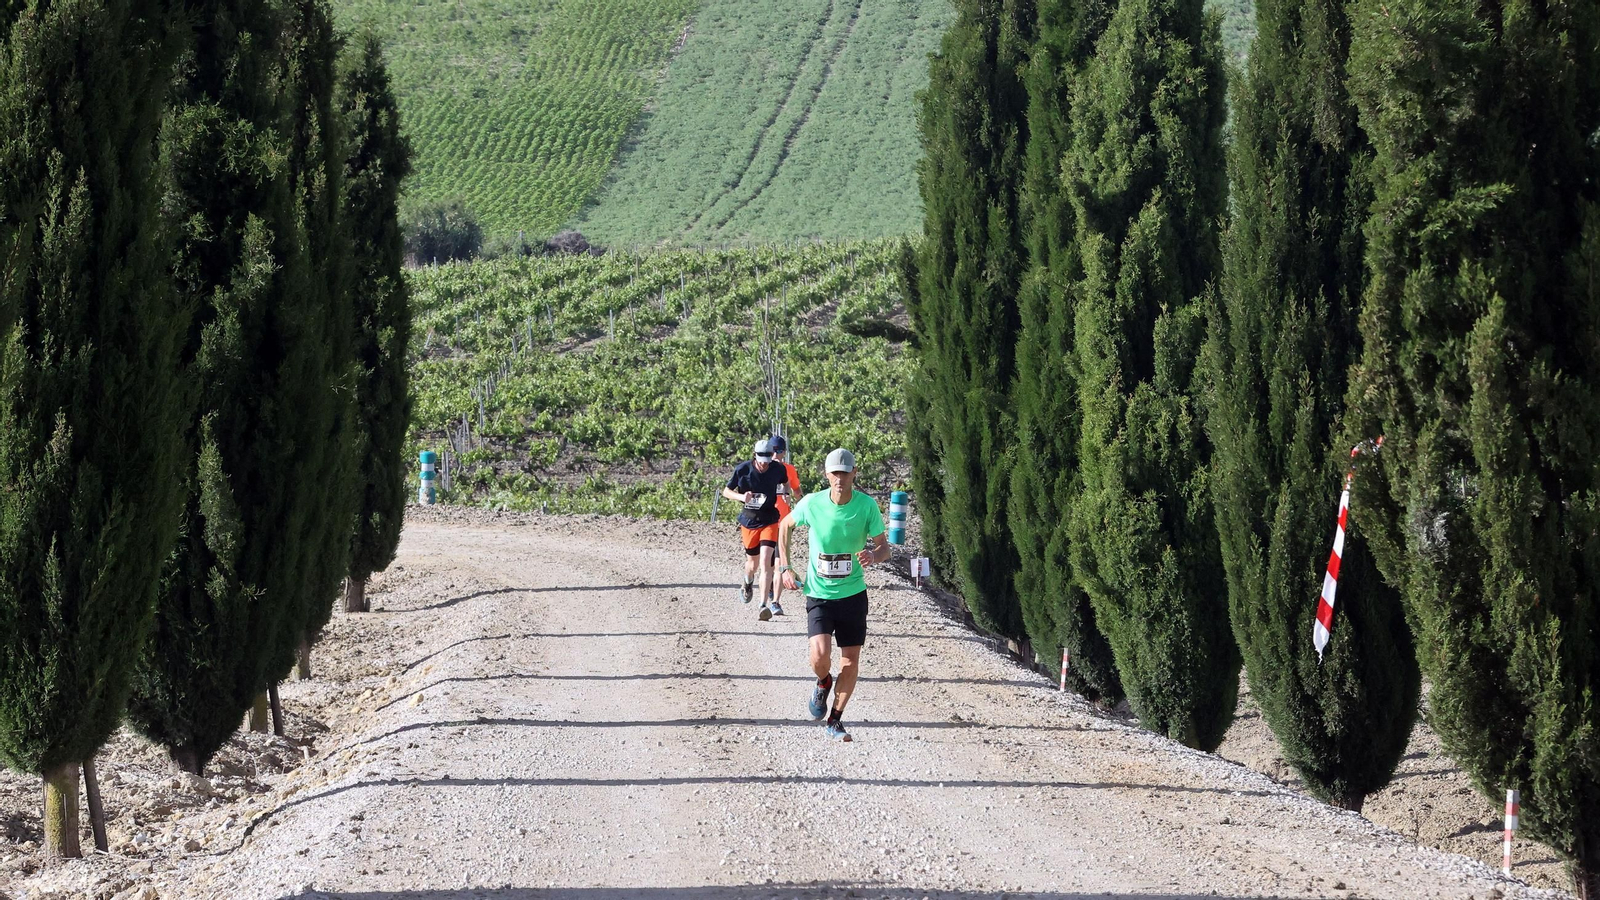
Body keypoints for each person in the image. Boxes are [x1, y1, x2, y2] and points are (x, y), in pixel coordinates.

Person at [777, 448, 888, 742]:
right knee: (819, 657)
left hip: (853, 595)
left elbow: (884, 547)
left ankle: (835, 719)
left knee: (850, 662)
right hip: (820, 594)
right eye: (834, 473)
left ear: (854, 473)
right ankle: (823, 682)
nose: (840, 478)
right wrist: (785, 567)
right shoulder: (812, 504)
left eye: (845, 472)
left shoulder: (866, 507)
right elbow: (784, 526)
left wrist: (874, 557)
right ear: (827, 475)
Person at [722, 439, 790, 621]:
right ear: (755, 456)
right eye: (761, 459)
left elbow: (786, 482)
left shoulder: (778, 469)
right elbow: (726, 492)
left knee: (766, 562)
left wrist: (786, 494)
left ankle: (762, 605)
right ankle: (747, 581)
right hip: (749, 521)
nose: (763, 463)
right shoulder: (743, 470)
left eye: (767, 459)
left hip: (769, 519)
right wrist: (741, 496)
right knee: (752, 565)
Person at [767, 434, 803, 615]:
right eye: (773, 451)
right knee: (768, 562)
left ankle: (775, 602)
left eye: (779, 451)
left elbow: (796, 489)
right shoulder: (762, 469)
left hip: (784, 523)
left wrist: (802, 506)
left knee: (781, 561)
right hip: (766, 522)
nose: (776, 455)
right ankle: (759, 583)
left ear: (784, 452)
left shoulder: (789, 470)